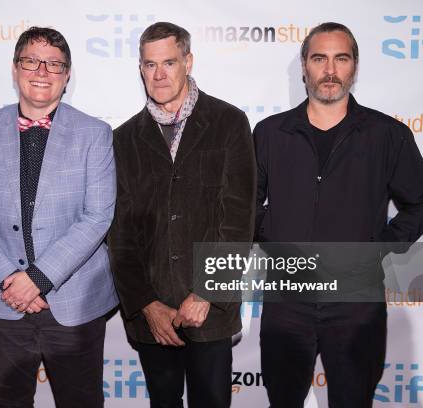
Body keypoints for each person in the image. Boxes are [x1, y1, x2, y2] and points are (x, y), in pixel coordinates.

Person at [253, 22, 423, 408]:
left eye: (341, 59)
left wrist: (380, 246)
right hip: (287, 300)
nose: (330, 70)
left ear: (354, 67)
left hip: (357, 304)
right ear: (304, 66)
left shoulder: (386, 134)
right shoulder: (270, 133)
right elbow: (245, 205)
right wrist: (274, 239)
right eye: (319, 58)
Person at [0, 26, 117, 408]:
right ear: (15, 69)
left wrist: (38, 280)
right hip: (1, 304)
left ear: (67, 75)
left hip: (75, 304)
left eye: (54, 64)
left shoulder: (95, 133)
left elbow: (97, 216)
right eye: (31, 60)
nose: (41, 71)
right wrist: (9, 280)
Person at [108, 21, 256, 408]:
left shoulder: (228, 122)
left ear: (188, 62)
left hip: (210, 312)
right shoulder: (122, 139)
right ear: (140, 68)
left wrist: (206, 291)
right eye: (149, 64)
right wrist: (147, 305)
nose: (159, 74)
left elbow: (238, 218)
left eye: (169, 62)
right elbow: (119, 234)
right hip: (152, 317)